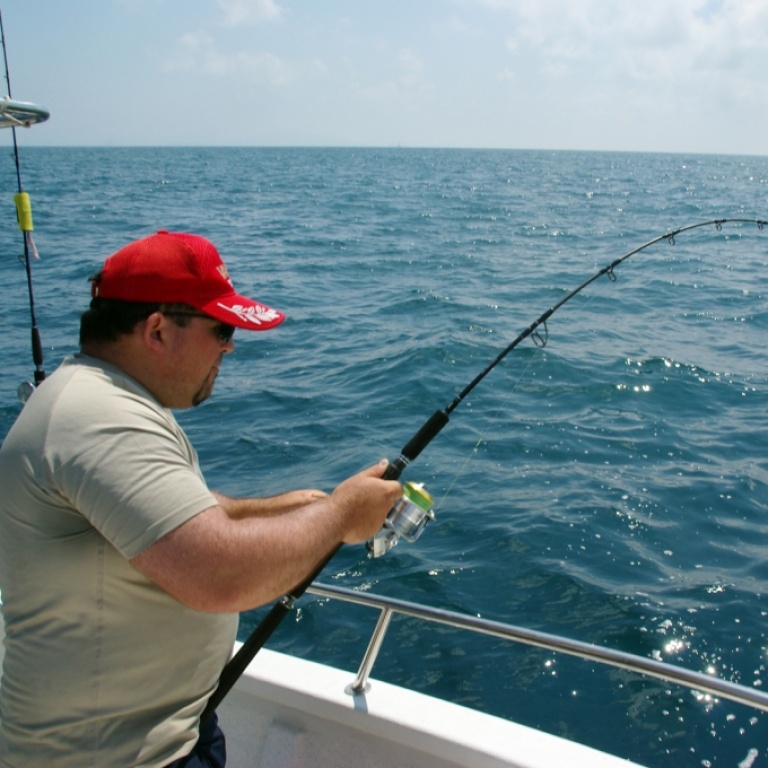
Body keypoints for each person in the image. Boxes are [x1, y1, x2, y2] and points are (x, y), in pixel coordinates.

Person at [0, 230, 402, 768]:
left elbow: (179, 512)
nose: (230, 346)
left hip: (168, 735)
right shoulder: (101, 419)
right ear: (158, 330)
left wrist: (296, 507)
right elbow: (218, 575)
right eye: (221, 328)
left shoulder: (110, 399)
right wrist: (339, 518)